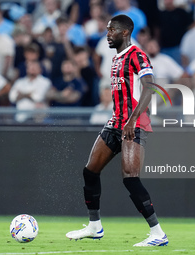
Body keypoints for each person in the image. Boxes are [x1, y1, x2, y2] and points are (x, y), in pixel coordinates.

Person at [65, 14, 168, 247]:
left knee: (130, 178)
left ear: (124, 32)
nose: (107, 34)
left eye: (111, 30)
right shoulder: (115, 59)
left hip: (133, 124)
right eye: (107, 29)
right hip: (115, 122)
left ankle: (158, 233)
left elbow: (149, 88)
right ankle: (94, 226)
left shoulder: (137, 55)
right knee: (90, 172)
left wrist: (132, 120)